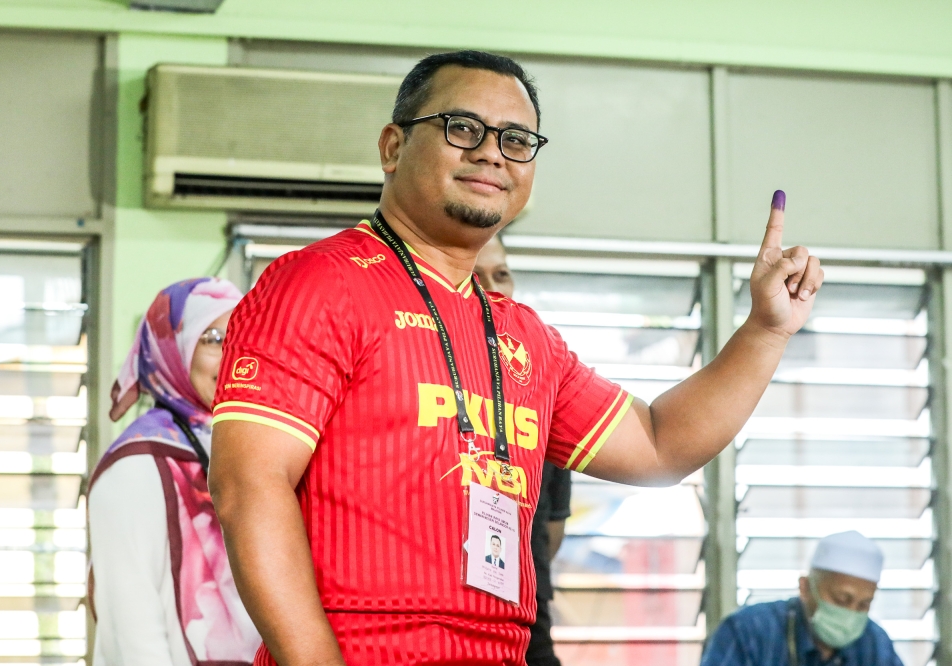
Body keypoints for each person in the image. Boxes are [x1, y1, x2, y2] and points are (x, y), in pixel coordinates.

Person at [208, 49, 824, 666]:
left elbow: (660, 446)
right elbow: (248, 485)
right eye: (463, 128)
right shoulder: (319, 284)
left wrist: (765, 332)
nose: (492, 152)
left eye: (517, 139)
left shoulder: (525, 339)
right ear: (393, 147)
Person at [88, 278, 261, 666]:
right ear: (171, 350)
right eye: (213, 338)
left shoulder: (245, 448)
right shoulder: (135, 465)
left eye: (243, 336)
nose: (233, 354)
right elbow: (132, 629)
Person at [475, 233, 571, 666]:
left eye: (502, 275)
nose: (492, 288)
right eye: (475, 277)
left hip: (527, 621)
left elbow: (550, 532)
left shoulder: (542, 381)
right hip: (432, 624)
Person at [701, 531, 903, 666]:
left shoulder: (875, 644)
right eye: (841, 600)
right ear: (805, 587)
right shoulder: (749, 633)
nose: (850, 613)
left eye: (864, 605)